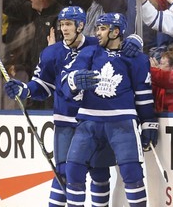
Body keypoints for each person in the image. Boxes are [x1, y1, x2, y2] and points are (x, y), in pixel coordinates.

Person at [4, 6, 142, 206]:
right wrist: (24, 89)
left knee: (100, 173)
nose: (64, 29)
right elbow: (42, 85)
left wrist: (135, 41)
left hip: (93, 121)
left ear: (81, 25)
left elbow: (120, 43)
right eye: (61, 24)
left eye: (68, 24)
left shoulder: (96, 44)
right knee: (64, 174)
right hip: (66, 121)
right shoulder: (51, 53)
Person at [61, 13, 158, 206]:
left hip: (122, 122)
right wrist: (73, 81)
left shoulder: (136, 58)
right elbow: (66, 79)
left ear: (115, 32)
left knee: (132, 172)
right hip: (89, 121)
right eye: (97, 28)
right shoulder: (89, 53)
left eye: (102, 28)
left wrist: (149, 123)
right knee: (73, 170)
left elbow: (143, 94)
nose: (97, 32)